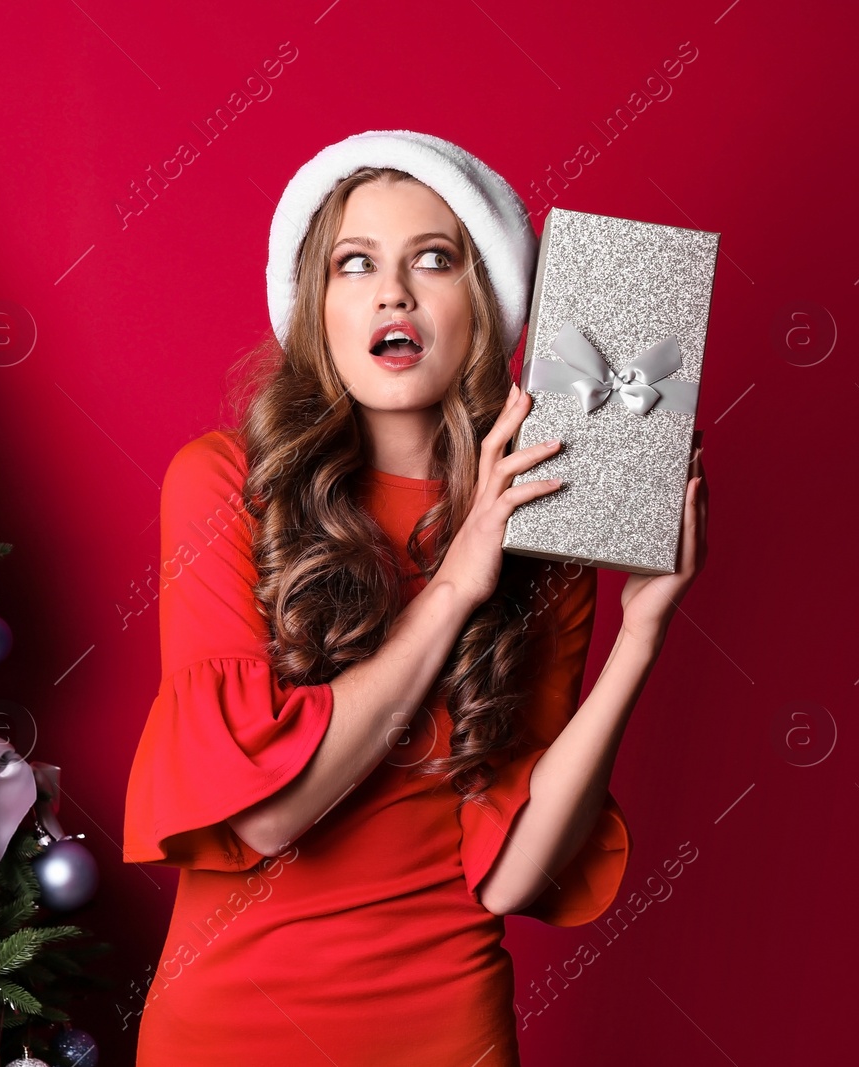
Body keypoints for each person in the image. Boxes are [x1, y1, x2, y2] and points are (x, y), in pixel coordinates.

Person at [122, 130, 708, 1065]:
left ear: (484, 307)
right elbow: (267, 817)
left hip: (445, 1029)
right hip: (230, 1028)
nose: (393, 292)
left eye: (433, 259)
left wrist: (643, 631)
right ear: (317, 306)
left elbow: (515, 873)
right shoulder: (223, 484)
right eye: (356, 264)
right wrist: (453, 588)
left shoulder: (546, 527)